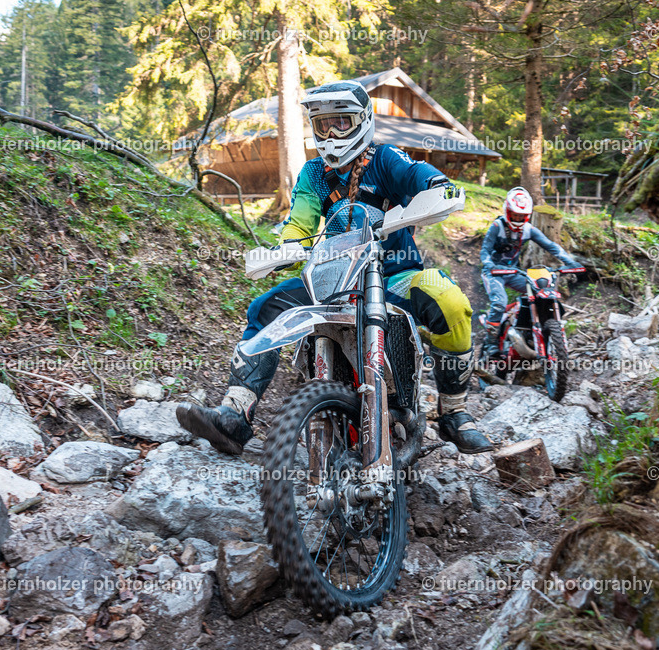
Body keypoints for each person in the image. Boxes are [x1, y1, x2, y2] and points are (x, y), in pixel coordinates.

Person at [176, 80, 493, 455]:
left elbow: (417, 176)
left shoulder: (384, 159)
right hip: (332, 277)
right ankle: (234, 415)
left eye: (341, 122)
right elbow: (301, 220)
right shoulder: (313, 173)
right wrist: (287, 246)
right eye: (323, 124)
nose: (331, 133)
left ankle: (454, 412)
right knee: (265, 307)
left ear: (362, 120)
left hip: (392, 276)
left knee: (450, 300)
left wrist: (438, 187)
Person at [479, 187, 581, 357]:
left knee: (539, 291)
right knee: (499, 302)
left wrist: (570, 262)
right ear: (507, 211)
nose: (518, 219)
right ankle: (491, 343)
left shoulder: (528, 229)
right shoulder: (497, 226)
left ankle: (533, 329)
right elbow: (485, 250)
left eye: (522, 216)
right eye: (515, 215)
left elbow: (551, 246)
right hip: (493, 272)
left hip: (512, 272)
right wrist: (489, 264)